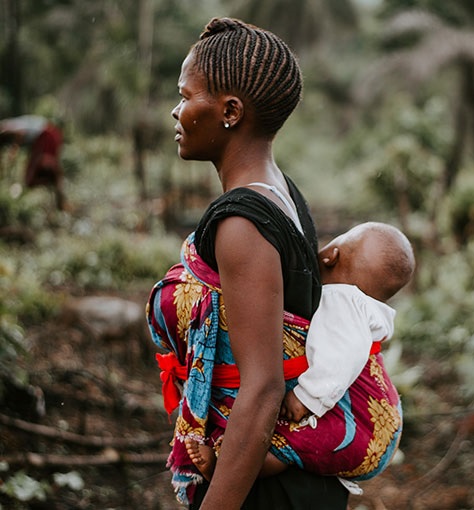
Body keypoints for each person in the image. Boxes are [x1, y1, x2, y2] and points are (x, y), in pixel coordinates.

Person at [146, 17, 350, 510]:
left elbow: (262, 388)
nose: (176, 111)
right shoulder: (282, 193)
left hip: (267, 491)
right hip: (293, 481)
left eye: (186, 95)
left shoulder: (242, 222)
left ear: (230, 111)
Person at [185, 221, 415, 482]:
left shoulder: (343, 302)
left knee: (293, 445)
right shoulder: (363, 307)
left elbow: (340, 360)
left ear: (331, 255)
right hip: (382, 425)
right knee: (296, 444)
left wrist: (306, 397)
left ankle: (227, 468)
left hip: (367, 433)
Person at [0, 115, 67, 210]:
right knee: (49, 167)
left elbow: (20, 133)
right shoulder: (14, 124)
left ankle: (54, 189)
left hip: (46, 135)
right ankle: (56, 190)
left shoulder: (8, 127)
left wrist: (14, 149)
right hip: (51, 135)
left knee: (34, 173)